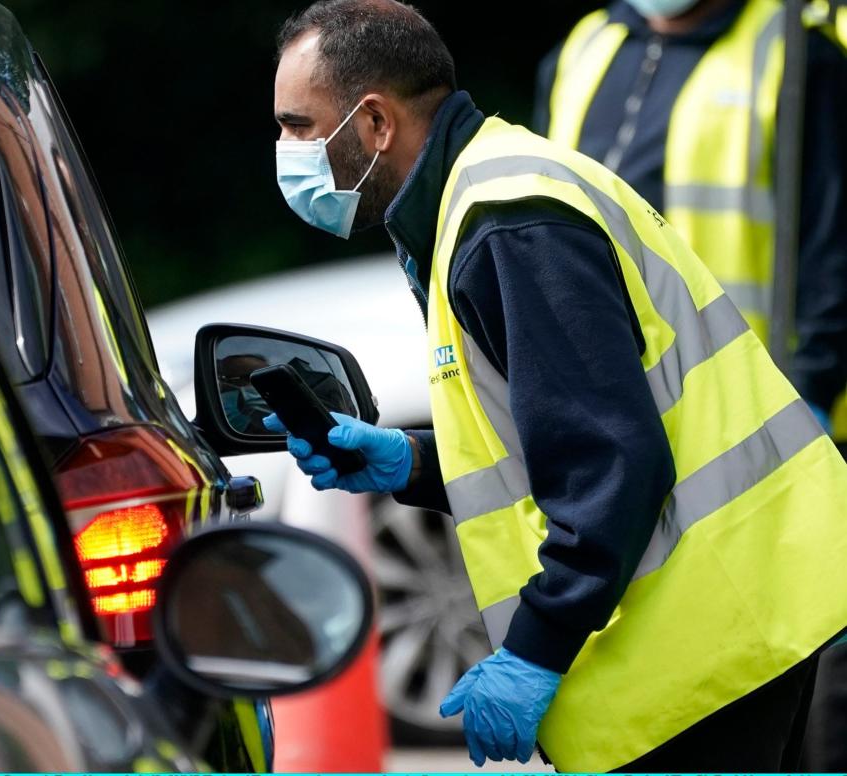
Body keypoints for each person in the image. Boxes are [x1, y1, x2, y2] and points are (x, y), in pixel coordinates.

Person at [267, 0, 847, 771]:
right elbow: (562, 430)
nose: (286, 149)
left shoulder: (505, 222)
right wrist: (415, 462)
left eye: (299, 125)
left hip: (712, 637)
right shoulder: (480, 198)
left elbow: (610, 462)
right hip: (720, 615)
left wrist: (533, 652)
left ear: (374, 124)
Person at [534, 1, 847, 768]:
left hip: (762, 428)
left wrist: (808, 389)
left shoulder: (797, 54)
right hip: (629, 422)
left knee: (804, 674)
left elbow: (834, 246)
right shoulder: (584, 45)